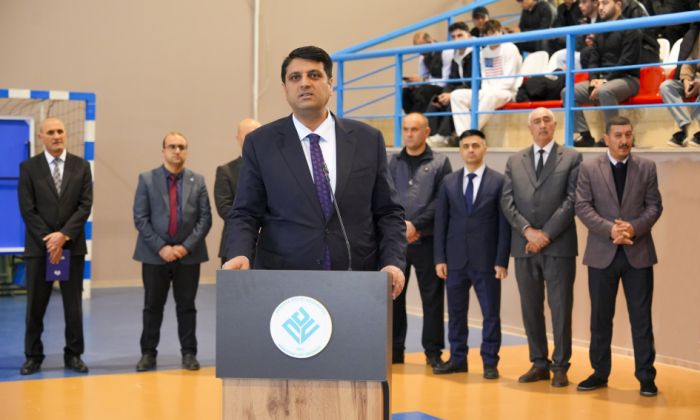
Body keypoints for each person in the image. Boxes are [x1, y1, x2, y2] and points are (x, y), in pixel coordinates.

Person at [222, 46, 406, 299]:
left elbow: (388, 211)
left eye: (314, 75)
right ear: (285, 88)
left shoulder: (367, 139)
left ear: (330, 84)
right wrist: (239, 252)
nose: (305, 83)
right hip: (284, 280)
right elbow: (245, 212)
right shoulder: (260, 143)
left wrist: (392, 261)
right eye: (295, 77)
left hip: (356, 279)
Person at [574, 116, 662, 396]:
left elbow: (654, 206)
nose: (624, 140)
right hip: (602, 253)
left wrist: (633, 228)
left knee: (641, 319)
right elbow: (582, 206)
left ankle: (646, 377)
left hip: (639, 253)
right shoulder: (589, 168)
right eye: (618, 135)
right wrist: (611, 230)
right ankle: (599, 373)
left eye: (628, 134)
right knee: (600, 319)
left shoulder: (647, 167)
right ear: (606, 139)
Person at [501, 107, 582, 388]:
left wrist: (545, 234)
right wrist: (528, 231)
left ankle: (560, 365)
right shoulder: (514, 160)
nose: (542, 124)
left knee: (561, 308)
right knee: (530, 307)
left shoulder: (571, 157)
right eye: (536, 121)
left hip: (559, 245)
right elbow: (507, 202)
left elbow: (572, 200)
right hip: (524, 246)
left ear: (555, 125)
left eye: (547, 119)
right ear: (530, 128)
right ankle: (538, 362)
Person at [432, 129, 511, 379]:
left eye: (475, 145)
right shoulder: (449, 182)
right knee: (456, 314)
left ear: (484, 148)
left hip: (487, 261)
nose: (470, 150)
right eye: (466, 146)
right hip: (455, 260)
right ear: (460, 150)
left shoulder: (499, 182)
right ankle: (457, 359)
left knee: (491, 314)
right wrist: (439, 258)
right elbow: (441, 223)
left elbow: (504, 225)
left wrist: (501, 260)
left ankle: (490, 362)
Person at [18, 117, 93, 375]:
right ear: (41, 136)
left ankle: (74, 355)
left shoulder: (81, 166)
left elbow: (85, 206)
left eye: (60, 131)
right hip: (39, 249)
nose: (57, 135)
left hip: (72, 247)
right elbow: (27, 209)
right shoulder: (28, 168)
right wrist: (50, 239)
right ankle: (33, 356)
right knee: (35, 306)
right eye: (50, 132)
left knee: (73, 306)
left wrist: (63, 236)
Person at [132, 132, 212, 372]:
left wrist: (185, 247)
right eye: (172, 146)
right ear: (163, 150)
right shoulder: (147, 179)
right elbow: (140, 218)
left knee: (187, 307)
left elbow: (205, 219)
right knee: (152, 307)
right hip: (154, 256)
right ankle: (148, 353)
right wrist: (162, 247)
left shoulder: (198, 180)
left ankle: (189, 353)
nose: (177, 151)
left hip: (189, 257)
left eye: (182, 147)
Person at [389, 113, 452, 366]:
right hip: (397, 243)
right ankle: (394, 352)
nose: (409, 134)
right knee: (394, 299)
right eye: (406, 129)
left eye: (415, 129)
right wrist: (401, 227)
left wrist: (415, 225)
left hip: (427, 241)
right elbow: (386, 197)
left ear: (426, 132)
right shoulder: (392, 162)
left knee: (432, 301)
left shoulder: (440, 162)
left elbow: (441, 200)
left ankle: (433, 353)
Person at [565, 0, 642, 147]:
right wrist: (594, 79)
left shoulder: (630, 28)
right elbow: (593, 60)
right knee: (568, 92)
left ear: (618, 5)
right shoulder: (600, 31)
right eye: (599, 3)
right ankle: (584, 135)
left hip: (628, 79)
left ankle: (614, 136)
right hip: (604, 81)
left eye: (605, 3)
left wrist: (604, 81)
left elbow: (626, 62)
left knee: (605, 91)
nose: (600, 7)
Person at [450, 20, 522, 136]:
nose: (490, 37)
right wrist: (484, 92)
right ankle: (462, 135)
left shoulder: (510, 48)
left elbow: (509, 80)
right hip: (487, 92)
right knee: (456, 95)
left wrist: (487, 92)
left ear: (500, 32)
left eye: (493, 33)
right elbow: (484, 78)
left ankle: (470, 133)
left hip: (507, 92)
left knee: (490, 95)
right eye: (487, 34)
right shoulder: (483, 52)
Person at [214, 118, 261, 264]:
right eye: (248, 135)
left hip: (270, 248)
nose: (254, 139)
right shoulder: (226, 171)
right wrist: (252, 224)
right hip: (237, 245)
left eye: (258, 134)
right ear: (238, 138)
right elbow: (224, 208)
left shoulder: (273, 169)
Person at [426, 22, 473, 145]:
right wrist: (445, 93)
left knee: (455, 98)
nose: (456, 39)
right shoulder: (456, 55)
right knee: (436, 99)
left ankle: (443, 136)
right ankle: (430, 135)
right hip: (461, 89)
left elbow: (473, 82)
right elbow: (452, 79)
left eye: (460, 35)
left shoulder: (475, 52)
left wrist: (451, 94)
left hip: (475, 90)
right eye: (453, 37)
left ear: (468, 35)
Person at [660, 23, 700, 147]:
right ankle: (684, 126)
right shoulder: (696, 34)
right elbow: (690, 61)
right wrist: (686, 81)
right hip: (694, 78)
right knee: (666, 86)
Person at [402, 32, 455, 114]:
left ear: (430, 42)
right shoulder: (423, 56)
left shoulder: (446, 51)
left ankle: (418, 118)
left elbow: (445, 81)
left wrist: (423, 81)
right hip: (431, 85)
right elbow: (423, 76)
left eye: (421, 47)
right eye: (417, 48)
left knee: (424, 91)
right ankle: (412, 117)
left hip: (445, 87)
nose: (420, 51)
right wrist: (414, 83)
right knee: (405, 91)